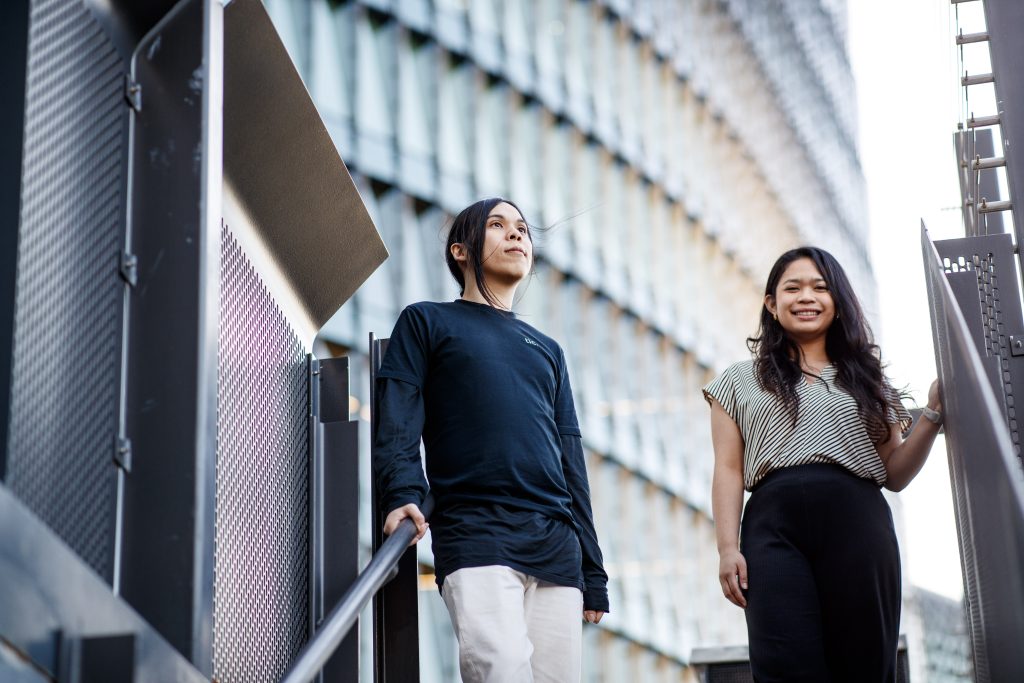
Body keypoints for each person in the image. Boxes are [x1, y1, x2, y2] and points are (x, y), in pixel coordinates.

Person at [373, 197, 609, 683]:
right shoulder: (427, 322)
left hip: (556, 545)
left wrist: (592, 566)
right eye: (498, 226)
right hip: (476, 530)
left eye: (522, 228)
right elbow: (398, 419)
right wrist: (401, 494)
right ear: (460, 251)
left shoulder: (548, 350)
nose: (517, 235)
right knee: (500, 672)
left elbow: (570, 458)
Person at [702, 246, 942, 683]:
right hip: (773, 526)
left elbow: (895, 472)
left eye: (820, 287)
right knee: (784, 663)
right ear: (772, 305)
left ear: (838, 303)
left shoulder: (869, 380)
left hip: (858, 521)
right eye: (792, 288)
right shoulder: (736, 380)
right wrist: (726, 548)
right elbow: (728, 470)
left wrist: (932, 413)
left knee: (864, 663)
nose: (806, 296)